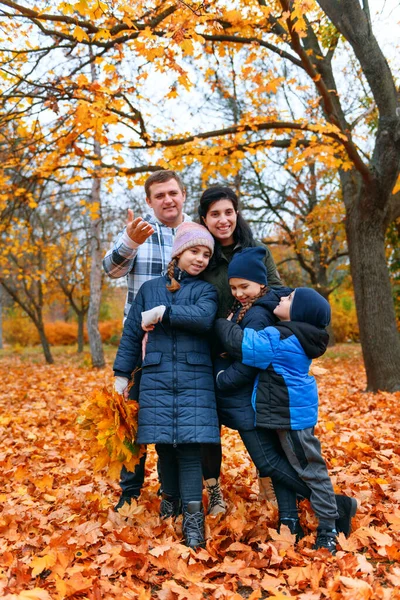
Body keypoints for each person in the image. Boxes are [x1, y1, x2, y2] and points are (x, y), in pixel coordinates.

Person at [215, 275, 357, 554]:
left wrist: (220, 322)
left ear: (298, 313)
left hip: (291, 417)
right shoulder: (296, 335)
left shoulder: (281, 336)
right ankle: (310, 518)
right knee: (299, 467)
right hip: (288, 412)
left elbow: (244, 344)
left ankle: (330, 526)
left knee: (311, 471)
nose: (281, 298)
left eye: (289, 299)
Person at [113, 222, 220, 548]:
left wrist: (164, 314)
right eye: (194, 251)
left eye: (206, 254)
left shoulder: (206, 290)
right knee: (163, 447)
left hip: (194, 380)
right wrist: (121, 374)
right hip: (156, 378)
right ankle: (169, 504)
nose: (200, 259)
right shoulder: (150, 289)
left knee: (188, 450)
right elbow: (132, 332)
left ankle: (193, 522)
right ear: (178, 252)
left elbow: (203, 318)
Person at [103, 170, 191, 510]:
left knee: (175, 416)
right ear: (149, 201)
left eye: (172, 193)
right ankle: (130, 491)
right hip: (138, 344)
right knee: (132, 416)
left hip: (182, 341)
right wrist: (129, 242)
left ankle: (174, 491)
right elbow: (111, 270)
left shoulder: (194, 234)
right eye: (159, 195)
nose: (167, 200)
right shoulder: (138, 234)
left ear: (183, 194)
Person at [198, 185, 282, 515]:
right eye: (215, 214)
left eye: (228, 212)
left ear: (237, 213)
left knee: (255, 422)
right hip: (207, 354)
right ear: (204, 218)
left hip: (249, 350)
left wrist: (242, 327)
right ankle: (213, 491)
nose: (223, 220)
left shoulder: (256, 251)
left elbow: (275, 293)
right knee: (206, 427)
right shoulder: (201, 255)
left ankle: (269, 483)